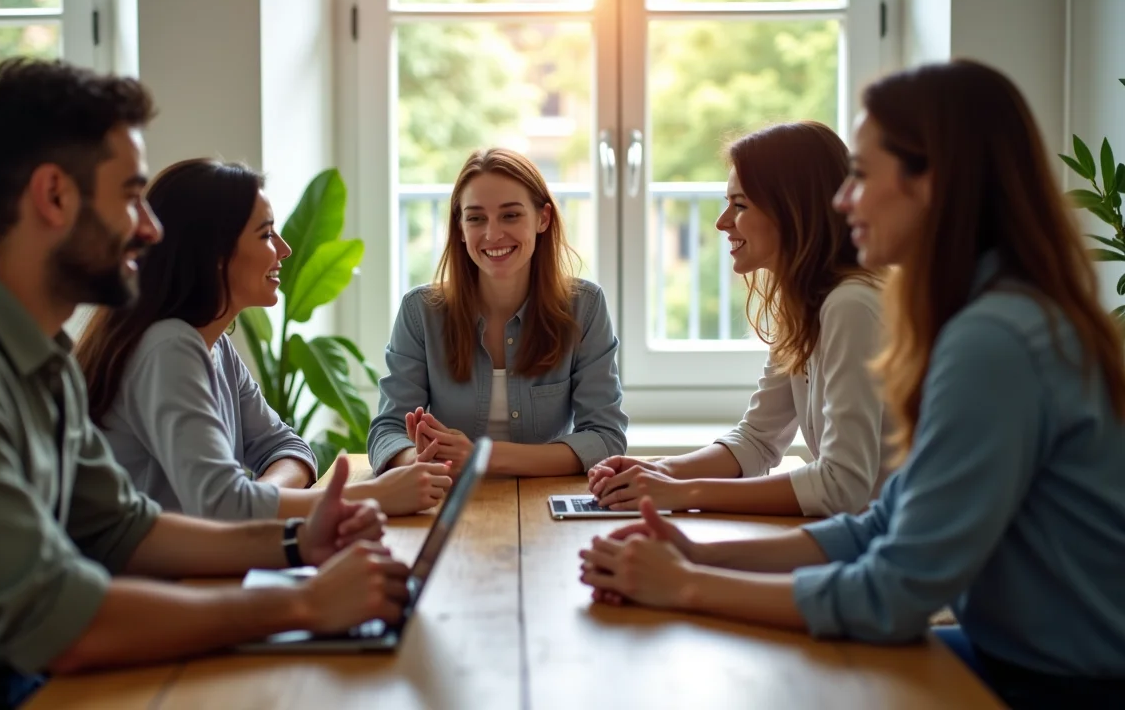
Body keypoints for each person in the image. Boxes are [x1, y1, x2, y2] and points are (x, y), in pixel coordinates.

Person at [0, 58, 408, 710]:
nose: (152, 228)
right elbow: (57, 620)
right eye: (131, 196)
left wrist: (295, 541)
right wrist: (304, 602)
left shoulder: (36, 351)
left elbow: (121, 529)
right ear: (53, 196)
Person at [578, 60, 1125, 709]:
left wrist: (687, 585)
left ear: (933, 183)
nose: (842, 200)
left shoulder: (994, 340)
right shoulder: (979, 318)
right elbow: (880, 525)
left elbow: (892, 594)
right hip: (1018, 657)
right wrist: (697, 552)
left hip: (1067, 687)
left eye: (861, 176)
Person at [77, 158, 452, 520]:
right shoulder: (169, 348)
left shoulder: (214, 346)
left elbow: (289, 448)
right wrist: (375, 495)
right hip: (159, 579)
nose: (285, 250)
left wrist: (259, 500)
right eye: (266, 234)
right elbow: (223, 506)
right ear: (215, 252)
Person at [586, 122, 894, 517]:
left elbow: (839, 486)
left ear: (794, 210)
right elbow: (758, 440)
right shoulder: (803, 306)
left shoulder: (850, 307)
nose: (722, 222)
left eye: (740, 205)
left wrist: (684, 493)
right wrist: (660, 471)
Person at [367, 148, 628, 478]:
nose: (492, 234)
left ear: (543, 219)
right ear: (460, 228)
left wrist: (481, 458)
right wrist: (418, 460)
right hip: (448, 498)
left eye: (510, 215)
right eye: (476, 218)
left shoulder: (585, 307)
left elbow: (606, 438)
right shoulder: (420, 312)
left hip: (542, 503)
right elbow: (386, 432)